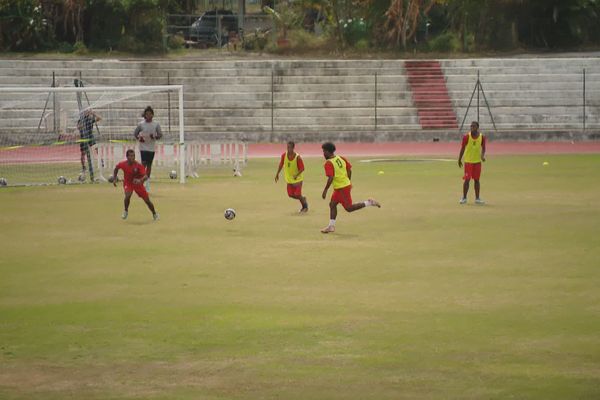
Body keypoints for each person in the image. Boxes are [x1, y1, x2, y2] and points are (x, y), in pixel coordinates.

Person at [320, 142, 380, 233]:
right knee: (332, 204)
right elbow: (349, 170)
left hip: (342, 188)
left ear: (328, 152)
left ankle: (369, 202)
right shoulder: (341, 158)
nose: (323, 153)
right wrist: (348, 181)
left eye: (324, 151)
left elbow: (331, 177)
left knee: (349, 208)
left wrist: (325, 190)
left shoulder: (328, 163)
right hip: (342, 187)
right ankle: (331, 226)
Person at [111, 149, 159, 221]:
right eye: (130, 156)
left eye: (133, 156)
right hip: (128, 183)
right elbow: (116, 168)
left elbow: (146, 176)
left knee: (147, 201)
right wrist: (114, 178)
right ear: (127, 157)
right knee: (127, 195)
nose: (132, 157)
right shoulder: (123, 164)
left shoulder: (138, 165)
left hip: (138, 184)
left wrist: (140, 180)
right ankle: (126, 211)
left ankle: (154, 214)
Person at [133, 106, 162, 191]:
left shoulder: (156, 124)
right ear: (145, 115)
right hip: (143, 147)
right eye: (147, 114)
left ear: (152, 115)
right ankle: (141, 182)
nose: (148, 115)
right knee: (143, 164)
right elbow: (135, 133)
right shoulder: (141, 124)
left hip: (151, 148)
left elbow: (160, 135)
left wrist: (155, 137)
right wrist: (139, 138)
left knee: (149, 165)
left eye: (150, 114)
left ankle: (147, 182)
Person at [274, 141, 308, 213]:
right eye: (287, 147)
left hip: (298, 179)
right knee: (290, 195)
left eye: (289, 148)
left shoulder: (297, 157)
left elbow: (302, 168)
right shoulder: (284, 155)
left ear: (293, 148)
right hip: (289, 179)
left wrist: (296, 175)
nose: (288, 149)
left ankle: (305, 207)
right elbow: (281, 164)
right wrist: (277, 174)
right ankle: (303, 198)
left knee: (298, 194)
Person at [458, 121, 486, 204]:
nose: (471, 128)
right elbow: (462, 148)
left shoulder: (482, 137)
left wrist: (482, 156)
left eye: (473, 126)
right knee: (467, 180)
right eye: (471, 126)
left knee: (477, 180)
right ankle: (464, 198)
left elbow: (484, 148)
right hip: (468, 162)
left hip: (477, 162)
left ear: (477, 127)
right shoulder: (466, 137)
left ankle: (477, 198)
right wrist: (459, 159)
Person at [77, 108, 101, 181]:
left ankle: (101, 161)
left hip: (90, 136)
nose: (87, 113)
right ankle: (83, 166)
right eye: (86, 112)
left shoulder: (90, 119)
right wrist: (81, 125)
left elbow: (99, 118)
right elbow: (78, 127)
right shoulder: (81, 120)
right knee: (83, 153)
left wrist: (93, 113)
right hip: (83, 137)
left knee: (96, 149)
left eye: (88, 112)